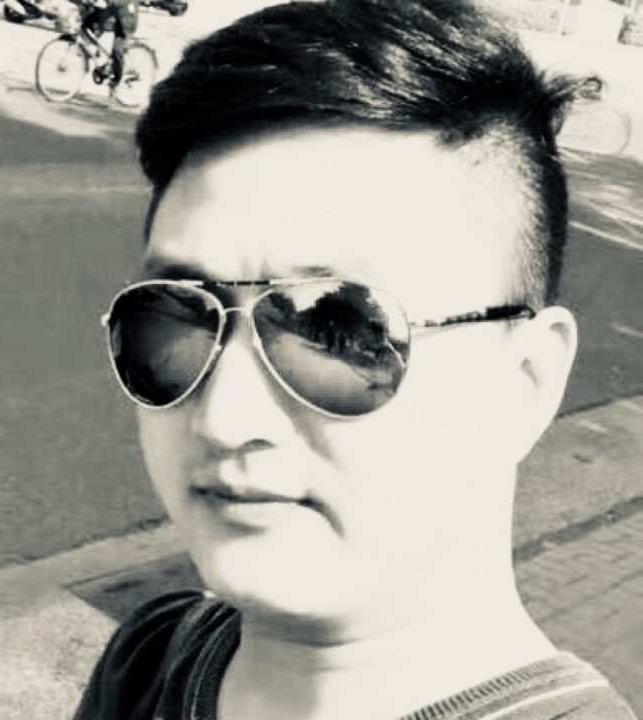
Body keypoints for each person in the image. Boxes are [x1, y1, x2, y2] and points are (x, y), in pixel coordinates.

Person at [75, 0, 639, 718]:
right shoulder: (150, 658)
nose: (223, 417)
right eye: (176, 316)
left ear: (524, 384)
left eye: (336, 327)